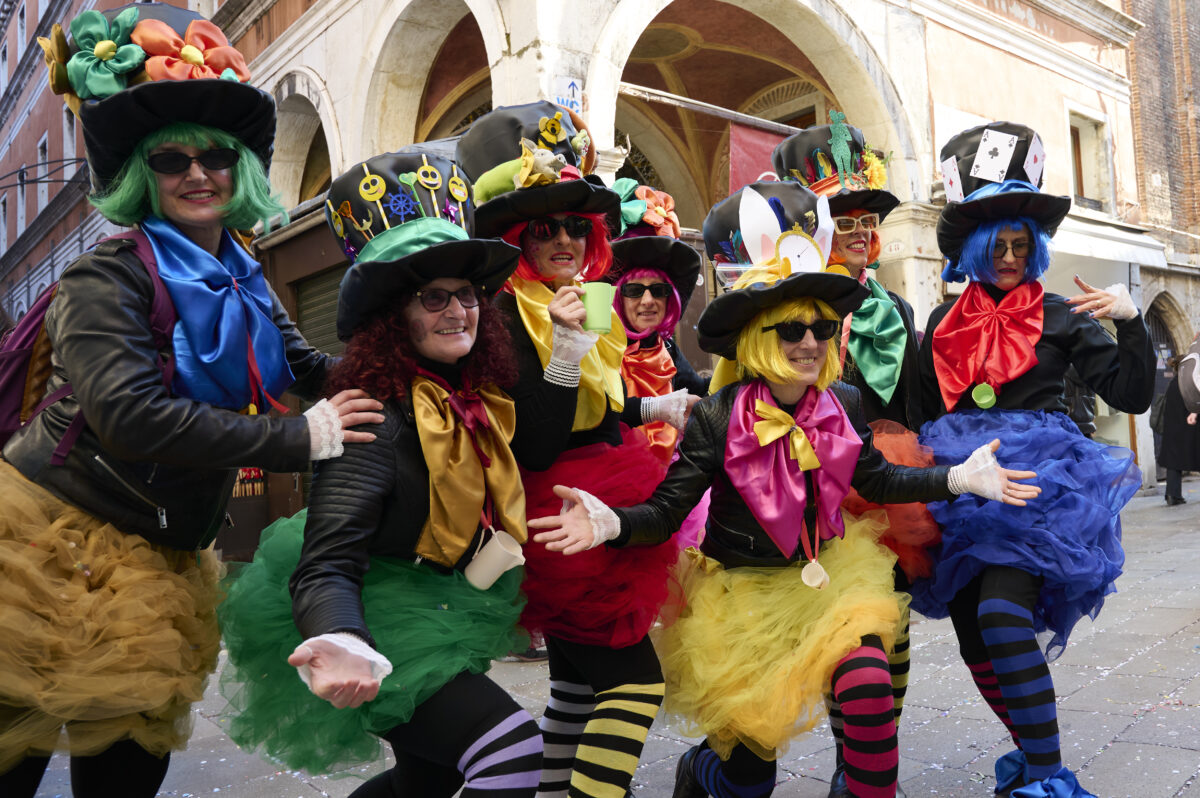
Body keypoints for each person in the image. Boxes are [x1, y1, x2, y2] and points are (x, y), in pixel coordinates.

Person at [530, 180, 1040, 798]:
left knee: (869, 688)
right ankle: (704, 773)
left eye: (822, 330)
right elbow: (668, 512)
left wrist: (959, 479)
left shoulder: (843, 402)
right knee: (750, 778)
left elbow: (875, 479)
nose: (808, 343)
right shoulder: (719, 415)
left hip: (831, 581)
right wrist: (613, 522)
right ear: (757, 338)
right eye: (790, 329)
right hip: (741, 600)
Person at [0, 5, 381, 796]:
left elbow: (306, 365)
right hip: (49, 541)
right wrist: (297, 440)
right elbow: (129, 413)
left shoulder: (242, 273)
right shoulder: (105, 277)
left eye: (214, 155)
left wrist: (407, 367)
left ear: (239, 168)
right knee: (13, 755)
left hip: (163, 544)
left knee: (129, 770)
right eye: (171, 159)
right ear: (145, 173)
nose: (197, 173)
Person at [218, 150, 545, 796]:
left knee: (424, 781)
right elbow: (326, 560)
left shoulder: (471, 398)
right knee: (510, 749)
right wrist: (339, 635)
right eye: (433, 297)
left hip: (448, 601)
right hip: (382, 617)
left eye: (467, 294)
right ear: (395, 315)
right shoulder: (372, 418)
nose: (458, 311)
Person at [915, 123, 1155, 798]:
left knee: (1001, 616)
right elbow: (910, 417)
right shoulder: (936, 326)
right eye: (1000, 245)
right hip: (959, 491)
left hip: (1034, 486)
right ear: (974, 249)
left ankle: (1048, 777)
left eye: (1023, 244)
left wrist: (1131, 321)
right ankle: (1032, 753)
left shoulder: (1060, 315)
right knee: (973, 641)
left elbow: (1131, 393)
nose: (1013, 257)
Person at [458, 102, 687, 798]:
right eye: (544, 227)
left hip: (609, 488)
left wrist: (655, 405)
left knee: (575, 690)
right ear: (517, 236)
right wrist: (562, 350)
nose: (562, 239)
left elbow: (599, 404)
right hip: (560, 508)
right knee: (634, 687)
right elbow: (538, 437)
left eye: (573, 225)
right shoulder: (502, 310)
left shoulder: (578, 295)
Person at [773, 117, 933, 798]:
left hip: (891, 491)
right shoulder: (791, 308)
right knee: (851, 641)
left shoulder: (895, 306)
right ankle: (855, 763)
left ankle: (867, 764)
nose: (864, 231)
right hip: (821, 493)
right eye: (846, 218)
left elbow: (917, 399)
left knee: (891, 631)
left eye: (870, 218)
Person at [607, 178, 706, 464]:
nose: (648, 301)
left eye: (658, 291)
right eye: (635, 290)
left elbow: (702, 393)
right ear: (619, 298)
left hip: (667, 479)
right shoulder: (600, 348)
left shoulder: (667, 349)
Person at [1158, 356, 1200, 505]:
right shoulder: (1188, 384)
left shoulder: (1173, 383)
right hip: (1187, 429)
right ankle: (1174, 496)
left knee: (1173, 463)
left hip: (1172, 428)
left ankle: (1172, 494)